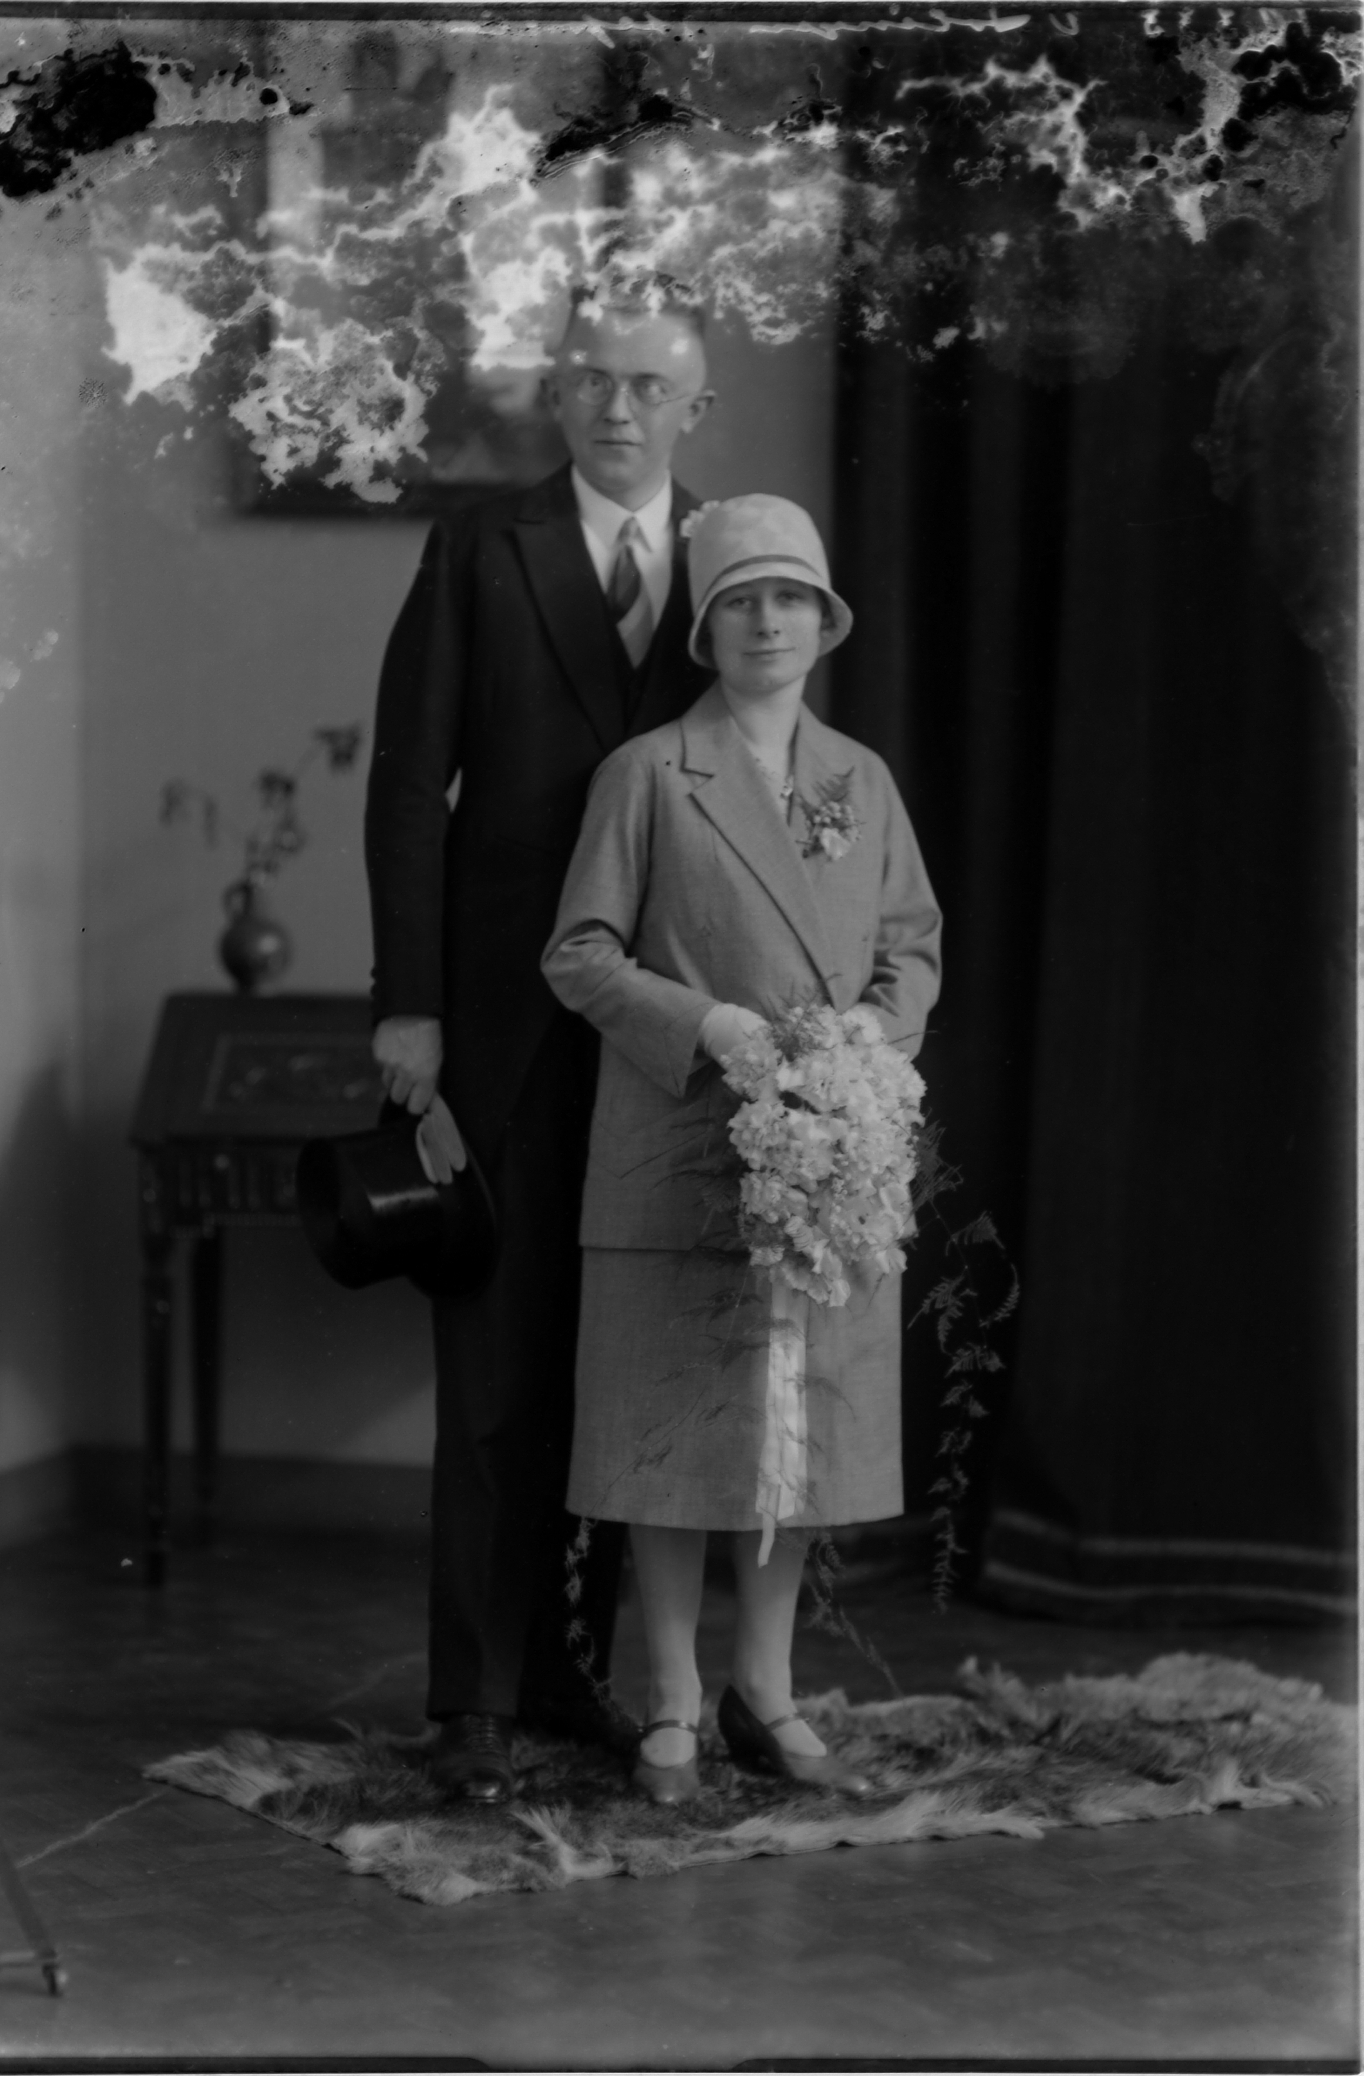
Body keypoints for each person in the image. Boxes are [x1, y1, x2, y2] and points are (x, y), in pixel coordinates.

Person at [364, 272, 717, 1803]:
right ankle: (473, 1700)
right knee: (495, 1374)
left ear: (694, 404)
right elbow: (407, 782)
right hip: (505, 1021)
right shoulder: (479, 545)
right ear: (557, 392)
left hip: (667, 1026)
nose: (618, 407)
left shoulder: (731, 562)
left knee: (617, 1368)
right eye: (593, 379)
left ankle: (571, 1674)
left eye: (648, 385)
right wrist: (410, 1002)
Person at [541, 495, 942, 1804]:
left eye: (790, 599)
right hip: (677, 1145)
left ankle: (764, 1691)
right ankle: (669, 1698)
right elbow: (578, 955)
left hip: (825, 1160)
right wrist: (716, 1028)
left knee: (794, 1432)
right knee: (669, 1433)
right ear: (706, 630)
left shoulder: (860, 779)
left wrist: (860, 1049)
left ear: (823, 623)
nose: (768, 622)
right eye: (740, 602)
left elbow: (912, 945)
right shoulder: (651, 772)